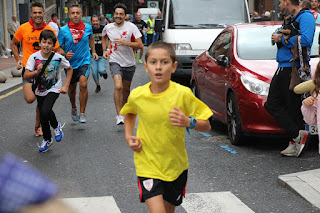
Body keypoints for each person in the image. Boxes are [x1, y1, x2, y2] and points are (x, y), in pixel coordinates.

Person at [120, 41, 212, 212]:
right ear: (146, 67)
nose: (158, 67)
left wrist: (189, 122)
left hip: (175, 166)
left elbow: (206, 125)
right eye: (153, 62)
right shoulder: (138, 95)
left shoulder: (183, 94)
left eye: (164, 62)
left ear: (174, 66)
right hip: (147, 164)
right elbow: (130, 112)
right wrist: (128, 136)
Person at [265, 0, 315, 157]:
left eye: (280, 1)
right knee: (283, 106)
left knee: (279, 105)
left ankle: (296, 137)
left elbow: (306, 41)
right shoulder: (289, 18)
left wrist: (281, 39)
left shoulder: (305, 17)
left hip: (292, 69)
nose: (278, 4)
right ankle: (296, 138)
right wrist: (278, 37)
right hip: (283, 67)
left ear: (287, 1)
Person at [11, 1, 61, 137]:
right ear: (31, 14)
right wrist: (18, 60)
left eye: (40, 12)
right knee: (30, 99)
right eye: (35, 12)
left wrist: (61, 59)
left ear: (44, 14)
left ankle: (38, 126)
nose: (37, 15)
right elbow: (13, 43)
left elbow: (56, 49)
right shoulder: (23, 28)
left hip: (45, 72)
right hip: (28, 69)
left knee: (42, 99)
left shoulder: (50, 31)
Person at [24, 30, 73, 152]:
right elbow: (26, 75)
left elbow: (70, 69)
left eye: (50, 43)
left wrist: (66, 86)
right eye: (44, 42)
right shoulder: (34, 57)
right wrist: (36, 72)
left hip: (54, 88)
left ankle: (56, 126)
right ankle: (47, 139)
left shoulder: (58, 58)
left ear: (53, 45)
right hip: (39, 89)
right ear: (39, 43)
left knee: (45, 111)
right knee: (43, 114)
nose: (46, 45)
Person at [101, 3, 144, 125]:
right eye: (116, 14)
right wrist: (105, 50)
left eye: (121, 14)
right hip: (115, 61)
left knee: (126, 90)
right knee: (118, 86)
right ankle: (119, 115)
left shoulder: (132, 27)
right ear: (113, 15)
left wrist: (125, 43)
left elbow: (140, 45)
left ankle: (124, 111)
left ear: (125, 16)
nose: (118, 16)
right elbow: (104, 37)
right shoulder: (108, 27)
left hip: (129, 62)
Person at [58, 4, 98, 123]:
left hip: (84, 60)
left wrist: (94, 51)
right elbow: (58, 48)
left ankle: (82, 113)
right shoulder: (63, 30)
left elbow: (91, 38)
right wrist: (64, 54)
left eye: (78, 13)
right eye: (73, 13)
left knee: (83, 84)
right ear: (69, 15)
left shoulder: (88, 27)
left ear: (81, 15)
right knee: (72, 89)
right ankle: (74, 107)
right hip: (70, 64)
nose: (75, 15)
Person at [90, 15, 108, 93]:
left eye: (96, 21)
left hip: (102, 53)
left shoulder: (103, 29)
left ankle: (103, 73)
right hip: (92, 54)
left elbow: (109, 38)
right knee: (94, 72)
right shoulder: (89, 30)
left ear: (99, 21)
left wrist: (107, 50)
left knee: (101, 70)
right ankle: (98, 85)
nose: (95, 23)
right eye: (93, 21)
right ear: (91, 22)